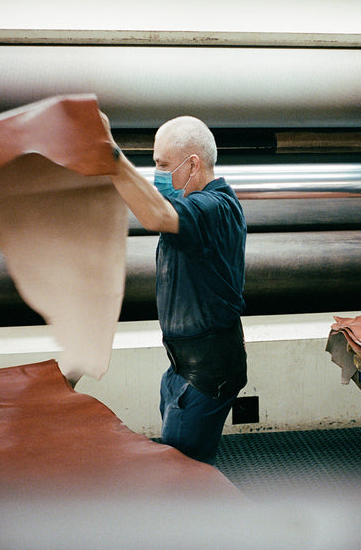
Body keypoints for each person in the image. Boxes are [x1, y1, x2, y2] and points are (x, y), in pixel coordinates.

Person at [105, 113, 247, 464]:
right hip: (183, 368)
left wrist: (109, 156)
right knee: (185, 469)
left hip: (206, 373)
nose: (158, 174)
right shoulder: (195, 207)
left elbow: (154, 216)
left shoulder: (214, 208)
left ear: (192, 164)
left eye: (163, 164)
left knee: (181, 477)